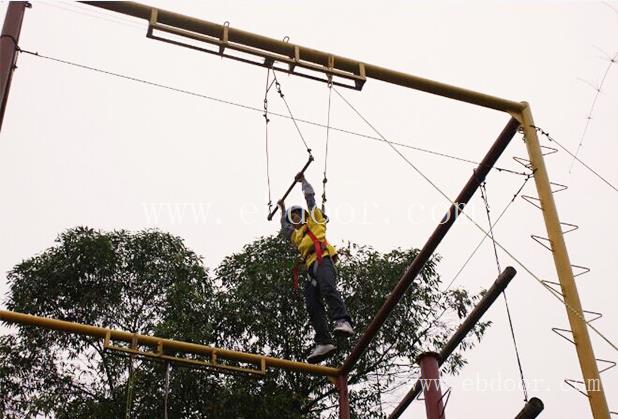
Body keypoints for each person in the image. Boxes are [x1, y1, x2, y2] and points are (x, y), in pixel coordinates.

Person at [278, 173, 354, 364]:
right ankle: (323, 341)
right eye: (292, 217)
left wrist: (303, 182)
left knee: (328, 289)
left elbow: (310, 199)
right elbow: (285, 229)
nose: (295, 219)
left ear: (304, 216)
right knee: (312, 304)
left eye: (297, 216)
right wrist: (282, 209)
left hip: (323, 259)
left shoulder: (314, 220)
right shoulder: (297, 236)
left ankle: (342, 320)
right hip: (310, 267)